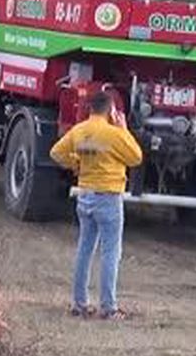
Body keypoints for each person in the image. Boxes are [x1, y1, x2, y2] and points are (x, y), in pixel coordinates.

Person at [50, 89, 143, 320]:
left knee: (85, 250)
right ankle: (108, 307)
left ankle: (79, 304)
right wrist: (124, 129)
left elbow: (55, 152)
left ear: (90, 108)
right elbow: (136, 157)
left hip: (85, 195)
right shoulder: (114, 134)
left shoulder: (79, 131)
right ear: (110, 110)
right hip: (109, 197)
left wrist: (76, 164)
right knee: (111, 252)